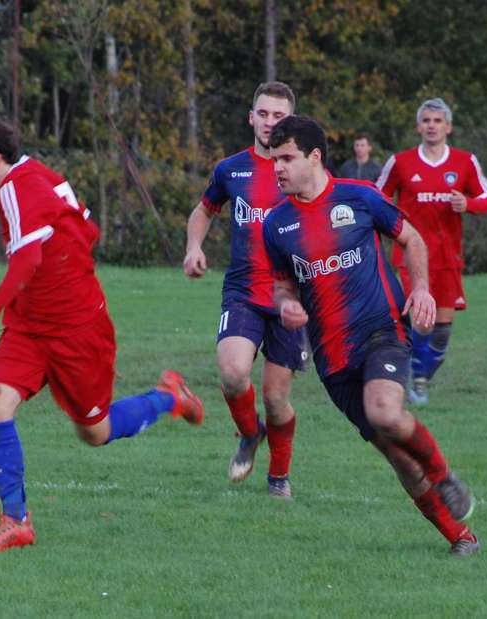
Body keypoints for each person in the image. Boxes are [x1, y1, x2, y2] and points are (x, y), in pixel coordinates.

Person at [0, 111, 205, 554]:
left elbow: (26, 264)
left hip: (77, 332)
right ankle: (15, 521)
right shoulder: (38, 174)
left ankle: (170, 398)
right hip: (29, 329)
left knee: (95, 432)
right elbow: (88, 228)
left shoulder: (17, 189)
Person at [263, 114, 479, 556]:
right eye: (274, 159)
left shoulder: (359, 198)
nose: (277, 168)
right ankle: (460, 537)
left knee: (384, 412)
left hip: (381, 331)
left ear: (314, 157)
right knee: (397, 457)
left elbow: (412, 239)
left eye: (286, 158)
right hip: (332, 358)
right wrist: (286, 305)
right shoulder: (277, 224)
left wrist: (419, 287)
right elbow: (283, 283)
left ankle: (443, 474)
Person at [183, 82, 308, 498]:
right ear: (251, 117)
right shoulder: (231, 169)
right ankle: (249, 433)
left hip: (290, 298)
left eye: (279, 116)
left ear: (289, 121)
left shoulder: (304, 172)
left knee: (276, 398)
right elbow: (203, 211)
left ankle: (278, 476)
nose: (270, 122)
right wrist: (194, 247)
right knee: (234, 373)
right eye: (264, 113)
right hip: (242, 290)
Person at [376, 98, 487, 405]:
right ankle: (405, 379)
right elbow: (378, 198)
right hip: (408, 257)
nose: (431, 125)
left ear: (448, 127)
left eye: (437, 121)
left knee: (441, 330)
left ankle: (420, 376)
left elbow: (486, 200)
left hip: (446, 257)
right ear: (418, 126)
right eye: (426, 120)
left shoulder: (465, 161)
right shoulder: (400, 162)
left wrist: (467, 204)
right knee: (420, 321)